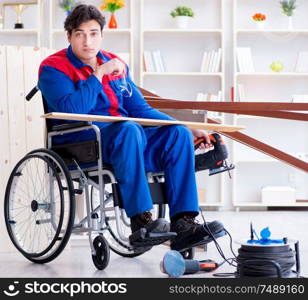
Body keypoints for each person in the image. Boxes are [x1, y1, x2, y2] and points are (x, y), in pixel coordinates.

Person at [38, 4, 224, 251]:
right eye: (80, 34)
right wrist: (99, 74)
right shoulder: (53, 67)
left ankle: (183, 223)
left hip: (126, 140)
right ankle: (140, 221)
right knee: (129, 129)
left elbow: (140, 110)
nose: (87, 41)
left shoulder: (116, 65)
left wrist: (188, 127)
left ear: (101, 35)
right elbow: (72, 111)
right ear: (69, 36)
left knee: (176, 134)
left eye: (93, 33)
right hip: (82, 141)